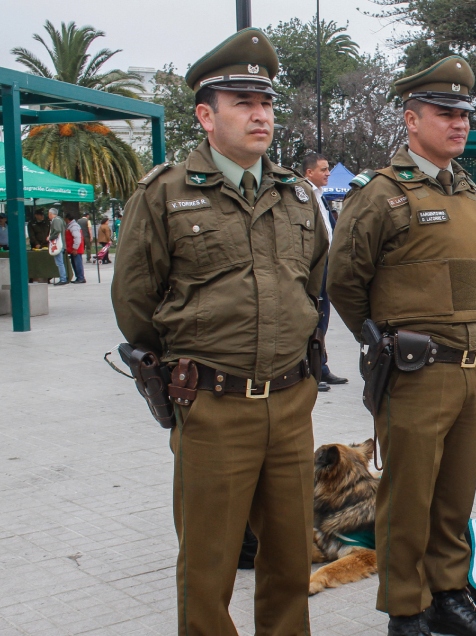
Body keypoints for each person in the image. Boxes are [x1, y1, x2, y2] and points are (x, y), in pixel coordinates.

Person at [110, 28, 328, 635]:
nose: (261, 116)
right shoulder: (165, 194)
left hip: (289, 403)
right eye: (243, 104)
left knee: (291, 561)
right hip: (211, 405)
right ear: (206, 115)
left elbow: (311, 286)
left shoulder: (297, 197)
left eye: (266, 104)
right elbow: (134, 302)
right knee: (207, 571)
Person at [327, 56, 476, 636]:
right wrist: (375, 339)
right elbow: (344, 280)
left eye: (464, 115)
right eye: (444, 113)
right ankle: (406, 607)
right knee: (407, 498)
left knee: (454, 496)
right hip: (417, 374)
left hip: (473, 372)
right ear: (411, 119)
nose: (458, 124)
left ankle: (448, 591)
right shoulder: (381, 194)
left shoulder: (471, 196)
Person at [302, 151, 348, 391]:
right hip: (312, 267)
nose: (328, 173)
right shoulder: (302, 196)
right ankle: (310, 370)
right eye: (323, 169)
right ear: (309, 172)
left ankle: (322, 367)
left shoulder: (320, 196)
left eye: (328, 168)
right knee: (312, 319)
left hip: (326, 265)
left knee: (323, 318)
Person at [64, 211, 87, 283]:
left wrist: (75, 248)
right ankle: (78, 277)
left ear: (67, 219)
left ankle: (81, 277)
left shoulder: (73, 226)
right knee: (75, 263)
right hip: (74, 248)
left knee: (77, 263)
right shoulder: (72, 225)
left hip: (76, 249)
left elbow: (77, 237)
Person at [48, 208, 68, 285]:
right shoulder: (60, 220)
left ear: (50, 214)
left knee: (59, 263)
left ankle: (63, 279)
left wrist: (50, 237)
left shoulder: (56, 220)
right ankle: (63, 277)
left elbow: (57, 230)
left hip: (58, 244)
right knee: (60, 262)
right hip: (62, 243)